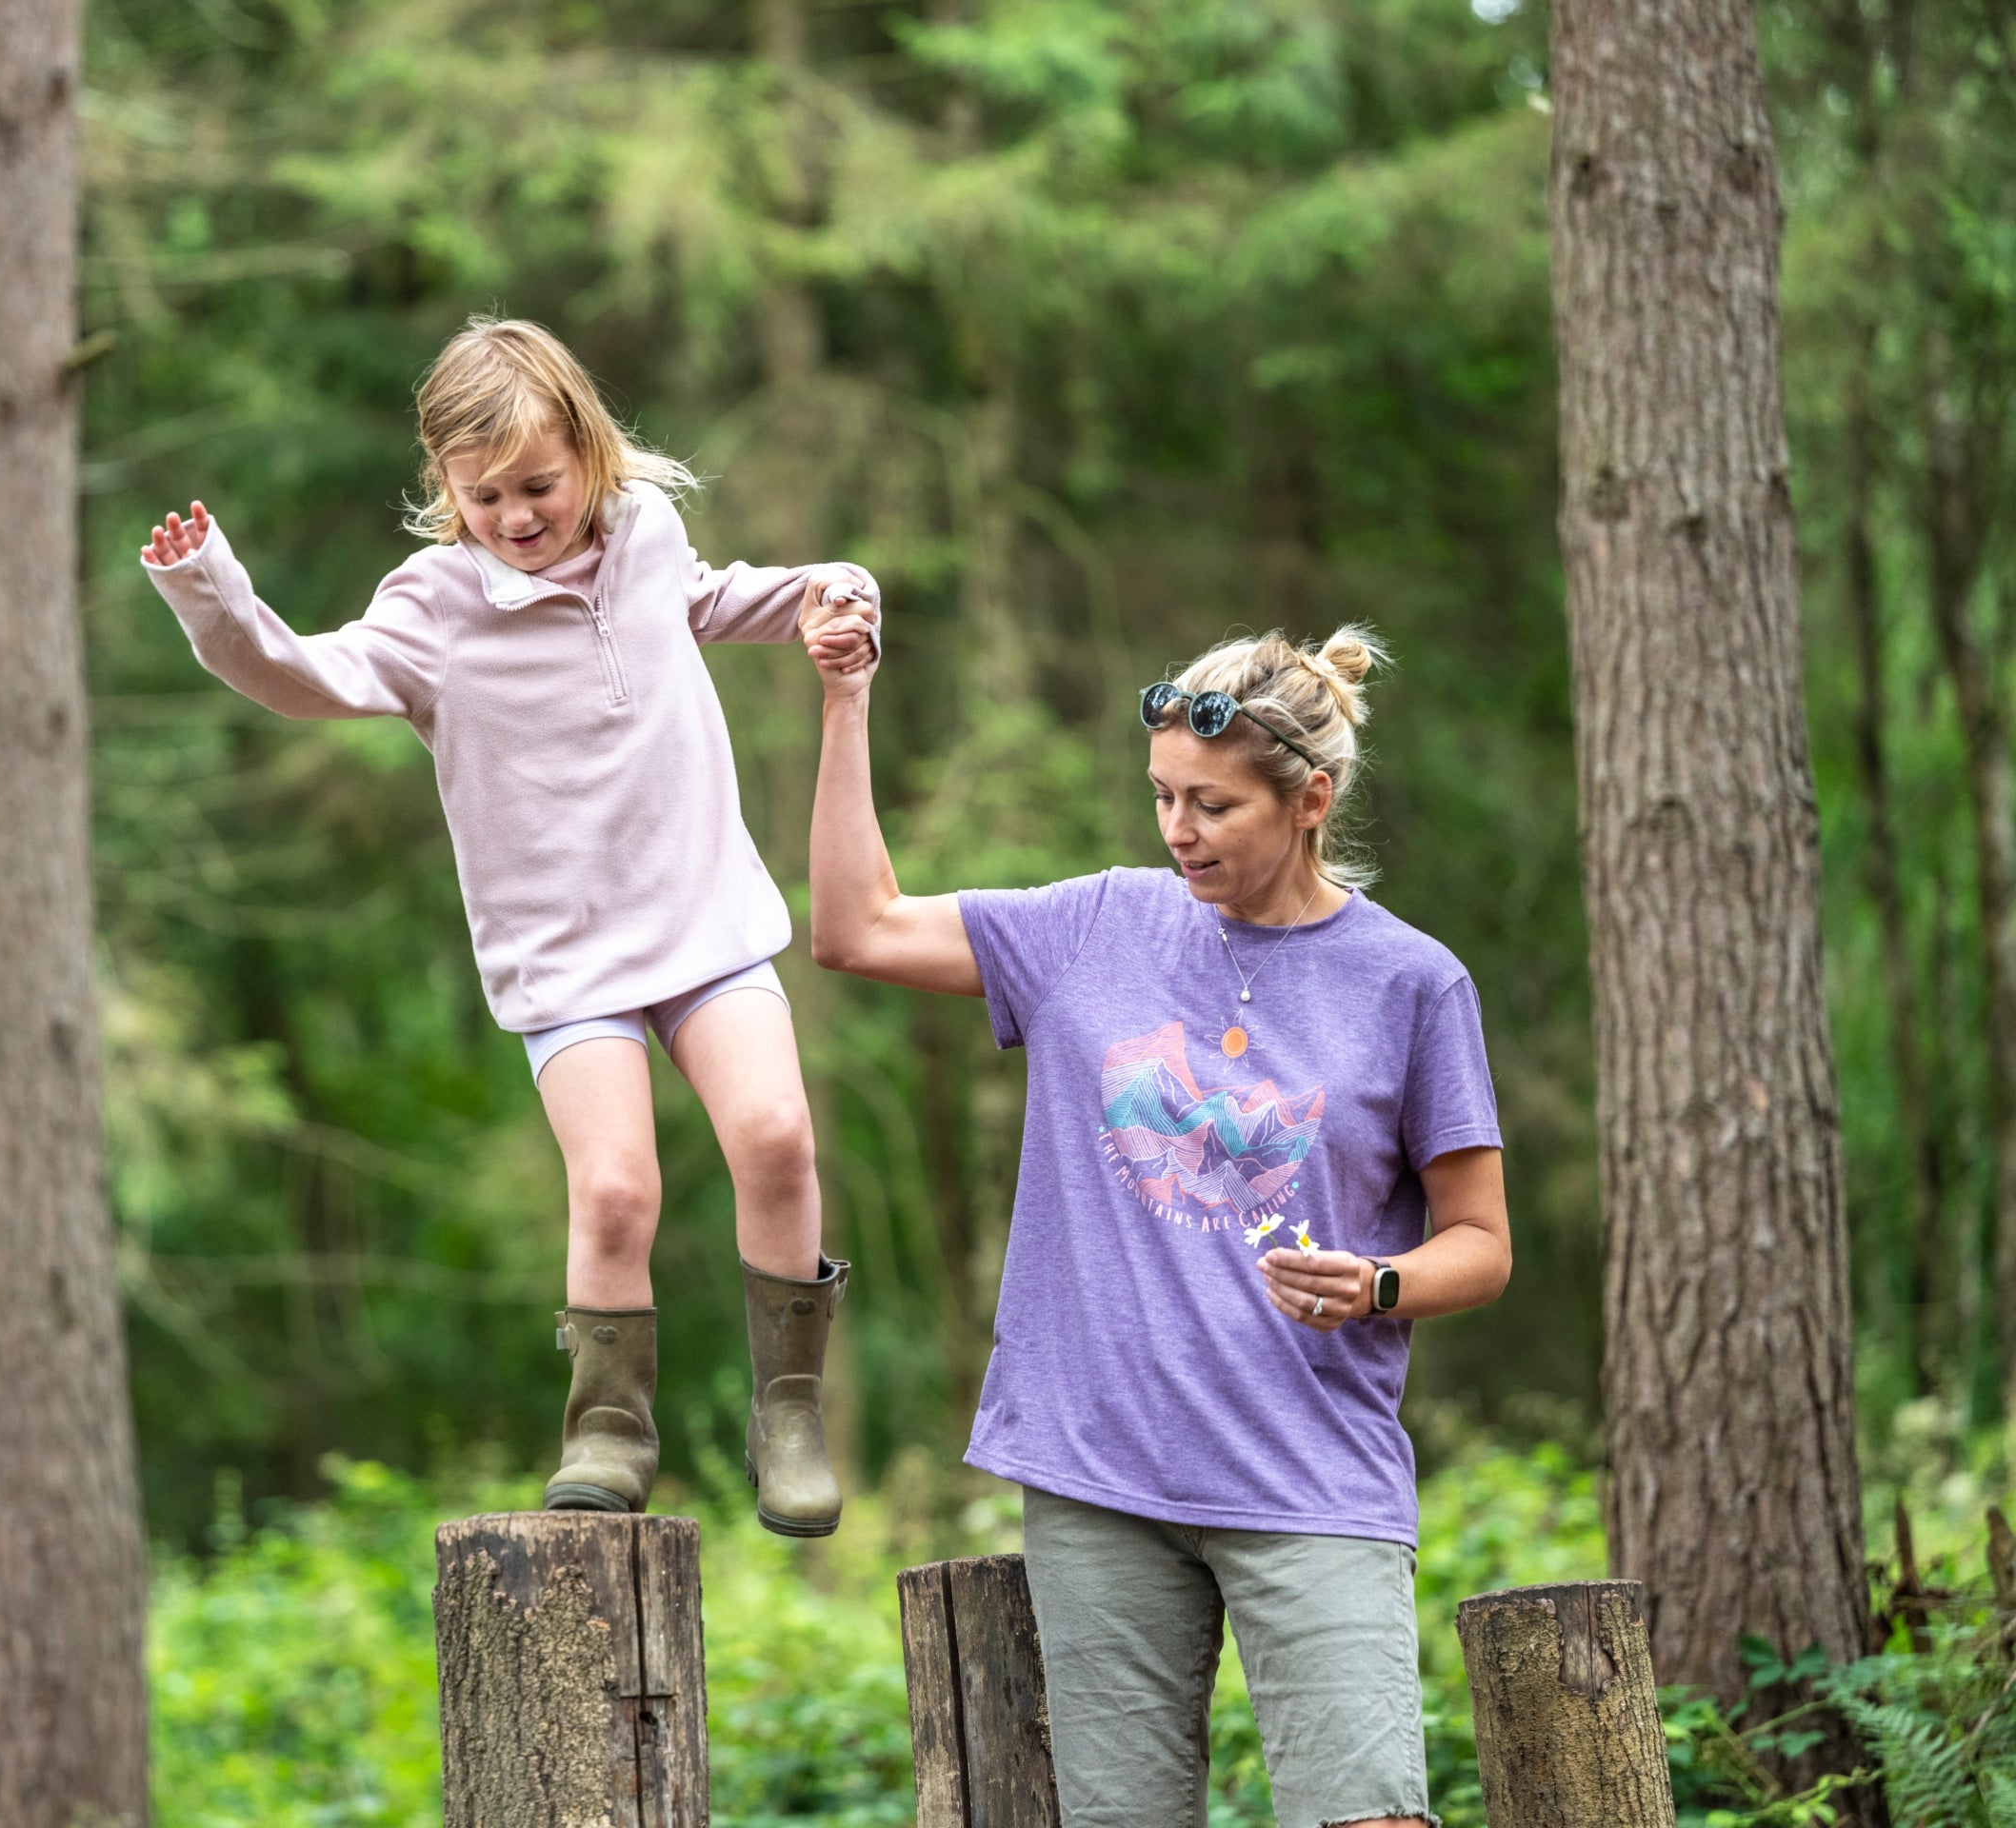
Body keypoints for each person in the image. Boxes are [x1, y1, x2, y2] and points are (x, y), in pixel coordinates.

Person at [140, 317, 880, 1534]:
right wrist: (212, 591)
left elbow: (704, 601)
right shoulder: (432, 606)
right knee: (614, 1192)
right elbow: (302, 675)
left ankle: (789, 1411)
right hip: (565, 958)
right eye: (486, 496)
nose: (518, 515)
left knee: (778, 1132)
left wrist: (826, 594)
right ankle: (608, 1425)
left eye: (539, 485)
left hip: (699, 913)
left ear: (589, 455)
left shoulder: (647, 536)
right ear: (448, 487)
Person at [803, 609, 1509, 1826]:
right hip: (1103, 1482)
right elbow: (853, 929)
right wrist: (846, 699)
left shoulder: (1413, 983)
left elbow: (1482, 1244)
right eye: (1164, 798)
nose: (1180, 831)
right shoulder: (1096, 926)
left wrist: (1380, 1284)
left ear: (1311, 800)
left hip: (1309, 1478)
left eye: (1214, 806)